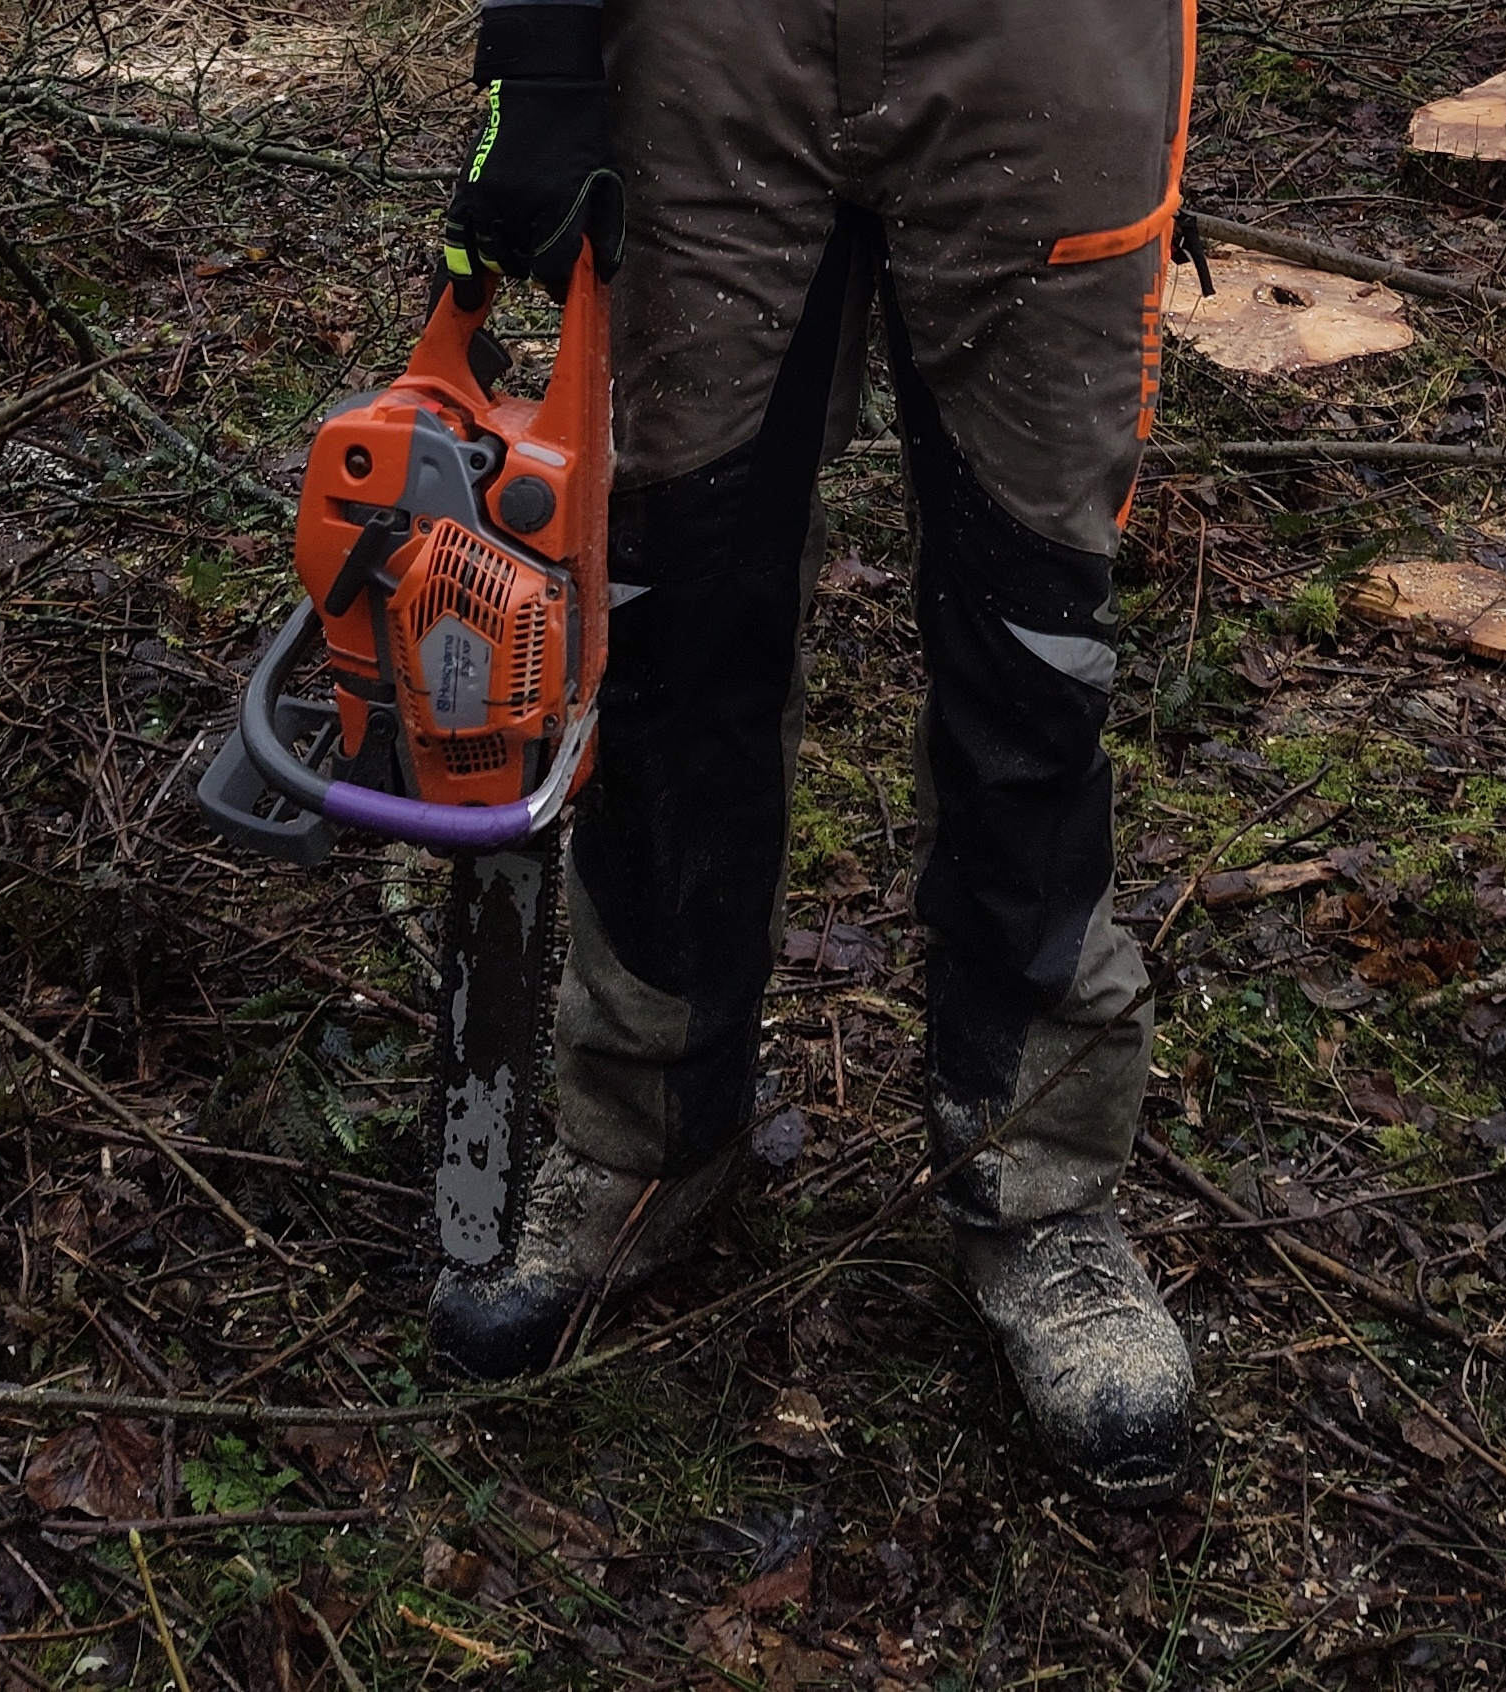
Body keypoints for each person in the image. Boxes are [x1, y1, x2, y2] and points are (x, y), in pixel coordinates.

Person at [429, 0, 1197, 1507]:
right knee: (667, 605)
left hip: (1047, 51)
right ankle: (646, 1127)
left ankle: (1038, 1190)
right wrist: (536, 53)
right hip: (714, 49)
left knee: (1032, 635)